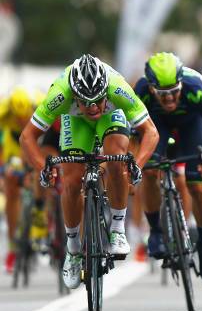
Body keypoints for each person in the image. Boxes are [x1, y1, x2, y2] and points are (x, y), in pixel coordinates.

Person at [20, 54, 159, 289]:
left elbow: (151, 133)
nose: (93, 107)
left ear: (106, 91)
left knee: (116, 160)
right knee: (72, 181)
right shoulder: (60, 94)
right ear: (75, 96)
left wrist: (138, 164)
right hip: (75, 122)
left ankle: (117, 229)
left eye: (98, 100)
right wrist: (43, 167)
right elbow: (27, 137)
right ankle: (73, 250)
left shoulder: (117, 88)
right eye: (86, 101)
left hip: (111, 116)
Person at [134, 52, 202, 284]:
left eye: (174, 92)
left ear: (181, 84)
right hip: (157, 127)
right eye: (163, 95)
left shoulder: (193, 88)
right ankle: (156, 231)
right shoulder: (141, 91)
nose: (169, 100)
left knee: (196, 184)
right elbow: (131, 135)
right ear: (151, 88)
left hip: (191, 126)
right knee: (149, 172)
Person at [0, 87, 40, 272]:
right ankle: (13, 245)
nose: (21, 120)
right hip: (13, 145)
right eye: (17, 117)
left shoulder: (40, 103)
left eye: (25, 116)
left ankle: (42, 221)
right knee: (11, 184)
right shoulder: (3, 112)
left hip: (36, 140)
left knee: (41, 177)